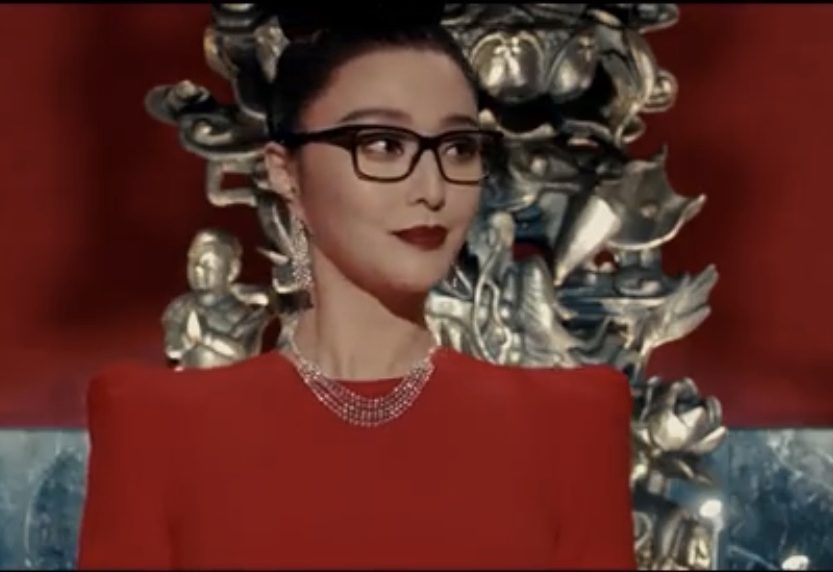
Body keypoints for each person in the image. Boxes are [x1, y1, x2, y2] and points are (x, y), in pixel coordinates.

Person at [76, 3, 636, 570]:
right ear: (285, 172)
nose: (431, 188)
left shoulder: (570, 426)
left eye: (458, 148)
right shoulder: (157, 427)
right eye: (383, 145)